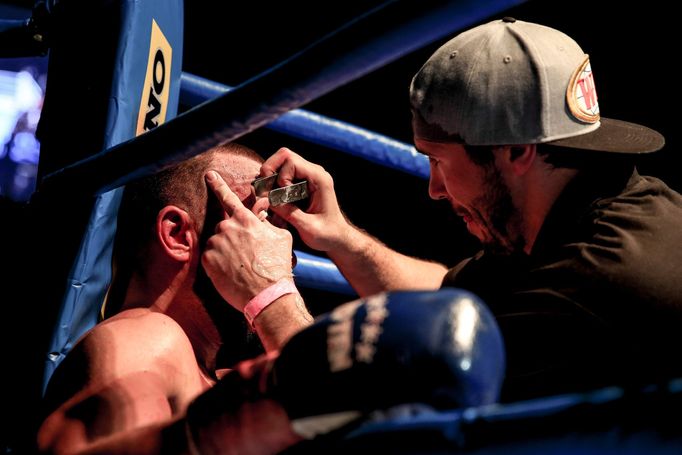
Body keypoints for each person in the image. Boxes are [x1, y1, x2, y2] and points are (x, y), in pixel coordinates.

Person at [238, 18, 682, 402]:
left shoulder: (601, 281)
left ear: (516, 151)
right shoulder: (581, 203)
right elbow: (451, 307)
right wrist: (338, 237)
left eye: (438, 160)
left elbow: (376, 411)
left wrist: (267, 292)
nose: (433, 188)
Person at [37, 142, 314, 454]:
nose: (280, 251)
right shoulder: (152, 340)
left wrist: (343, 238)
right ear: (178, 234)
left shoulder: (220, 380)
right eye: (258, 223)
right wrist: (274, 295)